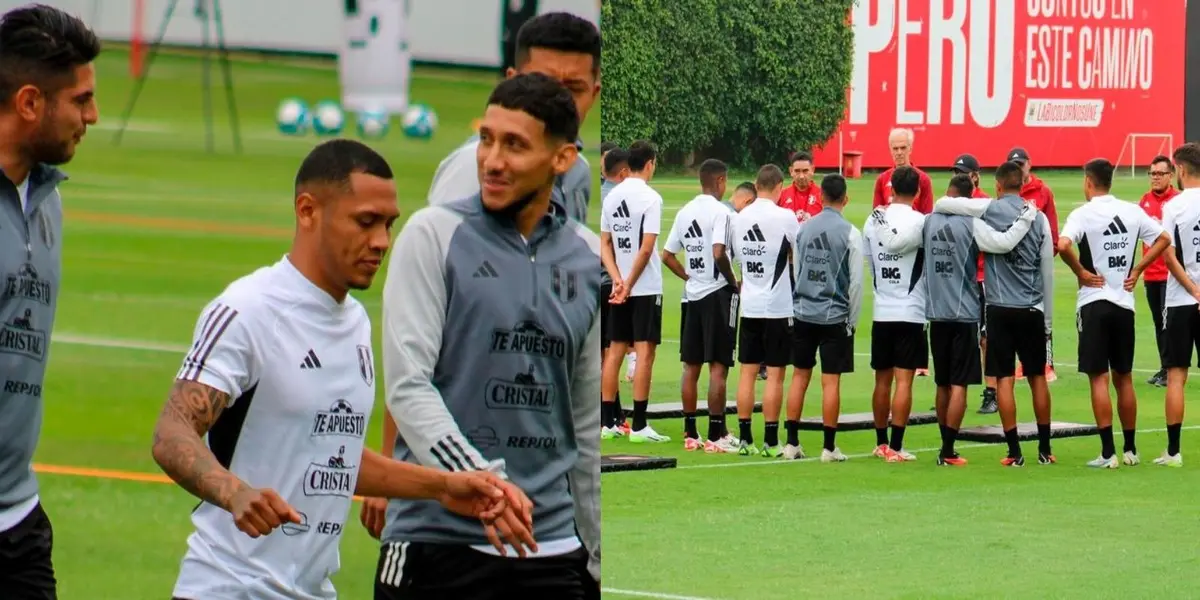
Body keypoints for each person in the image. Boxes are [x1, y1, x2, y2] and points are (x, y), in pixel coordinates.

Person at [151, 140, 532, 600]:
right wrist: (234, 493)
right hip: (229, 588)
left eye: (389, 224)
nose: (382, 242)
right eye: (365, 221)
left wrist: (444, 486)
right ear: (308, 211)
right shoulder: (249, 310)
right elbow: (172, 432)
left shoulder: (354, 321)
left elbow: (332, 451)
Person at [374, 74, 601, 597]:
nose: (492, 160)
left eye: (514, 145)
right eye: (486, 139)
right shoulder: (432, 235)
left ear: (562, 159)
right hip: (437, 544)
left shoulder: (589, 257)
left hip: (553, 552)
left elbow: (585, 420)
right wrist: (486, 485)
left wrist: (593, 552)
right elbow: (408, 386)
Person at [0, 6, 99, 595]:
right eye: (80, 100)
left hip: (18, 519)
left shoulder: (47, 199)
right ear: (30, 102)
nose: (93, 116)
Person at [874, 174, 1035, 465]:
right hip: (964, 314)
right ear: (968, 197)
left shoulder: (926, 222)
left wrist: (880, 218)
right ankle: (947, 451)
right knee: (960, 384)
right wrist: (1025, 218)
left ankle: (943, 445)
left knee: (942, 383)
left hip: (935, 314)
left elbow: (895, 244)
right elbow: (1004, 243)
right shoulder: (971, 224)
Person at [427, 11, 600, 223]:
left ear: (594, 93)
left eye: (574, 89)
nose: (558, 99)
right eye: (542, 83)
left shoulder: (578, 172)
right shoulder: (475, 166)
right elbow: (440, 248)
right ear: (512, 81)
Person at [934, 161, 1054, 467]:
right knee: (1037, 377)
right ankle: (1044, 449)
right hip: (1031, 307)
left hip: (999, 308)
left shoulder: (986, 210)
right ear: (1022, 183)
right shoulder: (1037, 218)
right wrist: (1047, 318)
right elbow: (1047, 270)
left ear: (999, 185)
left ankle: (1014, 452)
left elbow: (944, 203)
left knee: (1003, 380)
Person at [1056, 158, 1170, 468]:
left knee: (1098, 379)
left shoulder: (1083, 213)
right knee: (1125, 378)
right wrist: (1139, 269)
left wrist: (1080, 270)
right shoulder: (1132, 210)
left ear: (1088, 182)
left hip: (1094, 302)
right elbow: (1163, 239)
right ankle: (1131, 450)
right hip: (1124, 305)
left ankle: (1108, 454)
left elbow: (1063, 244)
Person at [661, 159, 739, 453]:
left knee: (690, 367)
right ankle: (716, 434)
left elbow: (667, 255)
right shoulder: (722, 212)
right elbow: (719, 252)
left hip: (691, 296)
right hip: (717, 294)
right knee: (718, 367)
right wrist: (732, 281)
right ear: (720, 181)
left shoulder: (684, 212)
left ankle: (690, 432)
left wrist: (687, 276)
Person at [791, 174, 863, 462]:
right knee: (830, 382)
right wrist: (852, 320)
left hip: (803, 312)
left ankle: (791, 442)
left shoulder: (804, 229)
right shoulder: (850, 233)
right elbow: (856, 284)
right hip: (834, 315)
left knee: (798, 376)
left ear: (820, 197)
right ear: (845, 199)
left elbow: (797, 270)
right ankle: (829, 447)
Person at [601, 140, 667, 444]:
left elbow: (605, 243)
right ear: (650, 163)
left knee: (614, 350)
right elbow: (647, 246)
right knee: (644, 352)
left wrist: (617, 280)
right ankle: (639, 425)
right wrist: (629, 283)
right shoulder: (651, 198)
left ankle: (607, 423)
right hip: (644, 286)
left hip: (618, 286)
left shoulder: (612, 196)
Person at [731, 165, 800, 457]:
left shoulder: (740, 217)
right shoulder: (785, 216)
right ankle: (771, 441)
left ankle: (745, 438)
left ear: (756, 185)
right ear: (779, 186)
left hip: (750, 304)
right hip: (778, 306)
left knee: (746, 373)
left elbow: (735, 257)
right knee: (775, 375)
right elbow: (797, 254)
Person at [863, 167, 929, 462]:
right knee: (904, 381)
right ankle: (897, 446)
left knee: (882, 380)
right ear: (917, 193)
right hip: (911, 310)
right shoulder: (922, 222)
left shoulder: (873, 219)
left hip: (882, 309)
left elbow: (869, 260)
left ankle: (880, 443)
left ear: (890, 189)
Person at [1155, 143, 1200, 467]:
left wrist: (1193, 289)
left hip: (1182, 300)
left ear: (1180, 170)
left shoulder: (1174, 205)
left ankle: (1173, 451)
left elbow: (1167, 253)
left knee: (1176, 375)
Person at [950, 153, 1001, 414]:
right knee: (959, 336)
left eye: (964, 172)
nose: (959, 176)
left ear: (975, 175)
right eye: (956, 172)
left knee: (985, 338)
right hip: (959, 279)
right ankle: (953, 391)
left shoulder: (984, 203)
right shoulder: (951, 202)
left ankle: (991, 392)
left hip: (981, 278)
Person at [1005, 147, 1060, 382]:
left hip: (1037, 264)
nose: (1019, 169)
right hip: (1015, 266)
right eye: (1014, 165)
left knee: (1042, 311)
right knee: (1018, 313)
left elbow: (1052, 231)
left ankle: (1047, 363)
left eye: (1021, 164)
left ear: (1029, 164)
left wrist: (1048, 254)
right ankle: (1022, 362)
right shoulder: (1007, 194)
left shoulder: (1043, 192)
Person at [1139, 154, 1179, 387]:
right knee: (1158, 323)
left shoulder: (1177, 201)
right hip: (1151, 275)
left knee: (1169, 324)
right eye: (1152, 173)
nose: (1155, 178)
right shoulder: (1144, 201)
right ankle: (1165, 367)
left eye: (1160, 173)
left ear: (1170, 175)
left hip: (1170, 275)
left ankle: (1170, 369)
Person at [599, 147, 631, 435]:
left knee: (600, 353)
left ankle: (611, 415)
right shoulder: (621, 199)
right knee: (612, 351)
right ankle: (609, 417)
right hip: (611, 281)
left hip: (586, 281)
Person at [872, 128, 934, 214]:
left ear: (910, 148)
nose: (899, 152)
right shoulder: (882, 179)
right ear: (890, 150)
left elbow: (927, 215)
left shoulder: (923, 179)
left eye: (903, 148)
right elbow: (877, 214)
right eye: (895, 148)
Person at [778, 151, 822, 223]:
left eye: (805, 171)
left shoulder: (822, 196)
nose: (801, 176)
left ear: (812, 170)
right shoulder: (781, 196)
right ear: (791, 171)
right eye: (797, 171)